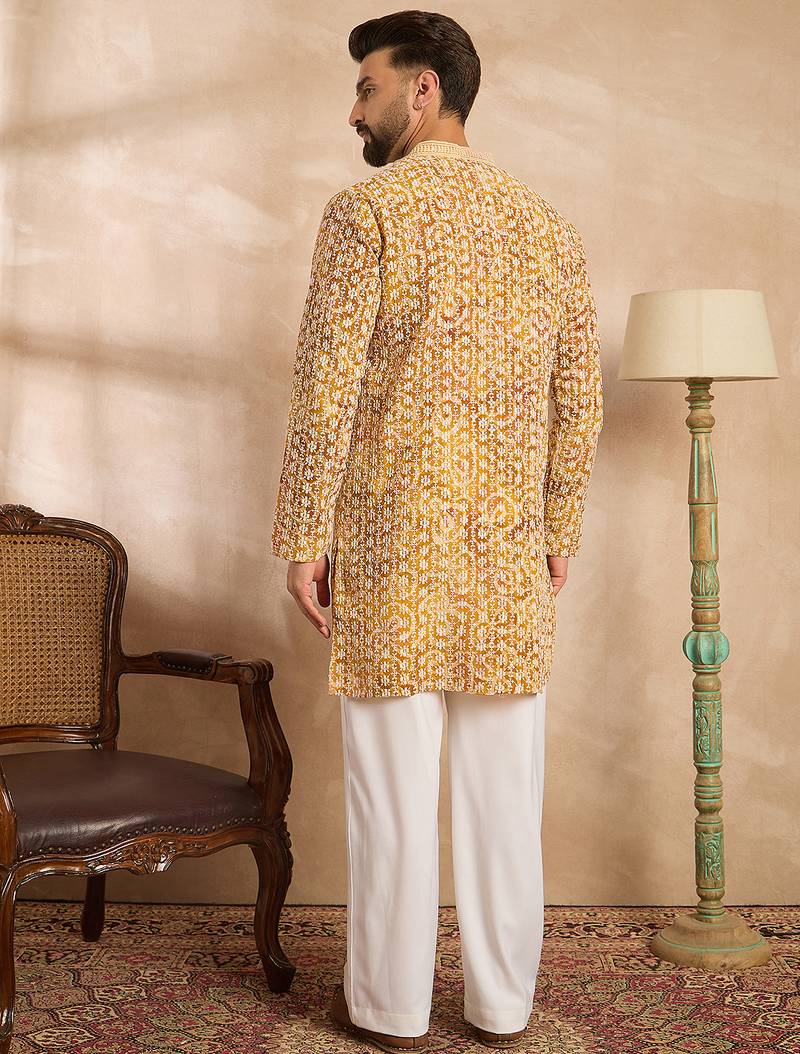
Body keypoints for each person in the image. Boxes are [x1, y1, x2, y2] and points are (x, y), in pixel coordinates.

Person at [271, 10, 604, 1051]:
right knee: (507, 798)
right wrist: (559, 527)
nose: (353, 109)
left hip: (390, 549)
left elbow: (325, 391)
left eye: (367, 85)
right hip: (507, 555)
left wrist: (302, 536)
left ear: (423, 89)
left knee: (393, 796)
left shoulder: (365, 213)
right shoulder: (545, 225)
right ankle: (502, 1007)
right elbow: (578, 398)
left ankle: (388, 1008)